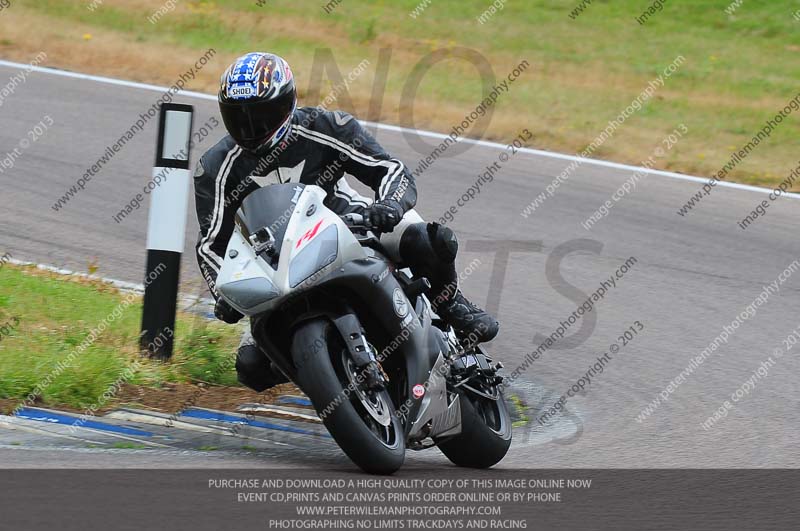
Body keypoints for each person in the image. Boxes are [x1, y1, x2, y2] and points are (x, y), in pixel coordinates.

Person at [194, 52, 498, 391]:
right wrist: (223, 293)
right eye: (239, 118)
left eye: (263, 115)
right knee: (251, 366)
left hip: (351, 225)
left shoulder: (325, 127)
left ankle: (452, 304)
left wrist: (389, 205)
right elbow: (211, 244)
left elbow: (389, 169)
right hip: (274, 266)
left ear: (288, 102)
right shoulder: (215, 167)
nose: (252, 128)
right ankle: (329, 377)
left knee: (428, 240)